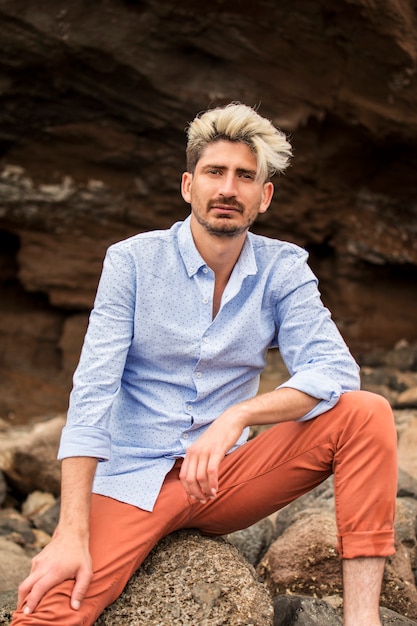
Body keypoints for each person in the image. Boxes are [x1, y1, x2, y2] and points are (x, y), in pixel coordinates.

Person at [12, 102, 397, 626]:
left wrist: (236, 418)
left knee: (365, 412)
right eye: (216, 172)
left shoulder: (284, 268)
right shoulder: (132, 261)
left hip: (223, 480)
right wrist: (69, 533)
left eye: (244, 176)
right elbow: (92, 394)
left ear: (264, 196)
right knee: (50, 611)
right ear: (189, 185)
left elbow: (334, 370)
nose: (227, 189)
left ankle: (362, 618)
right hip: (132, 479)